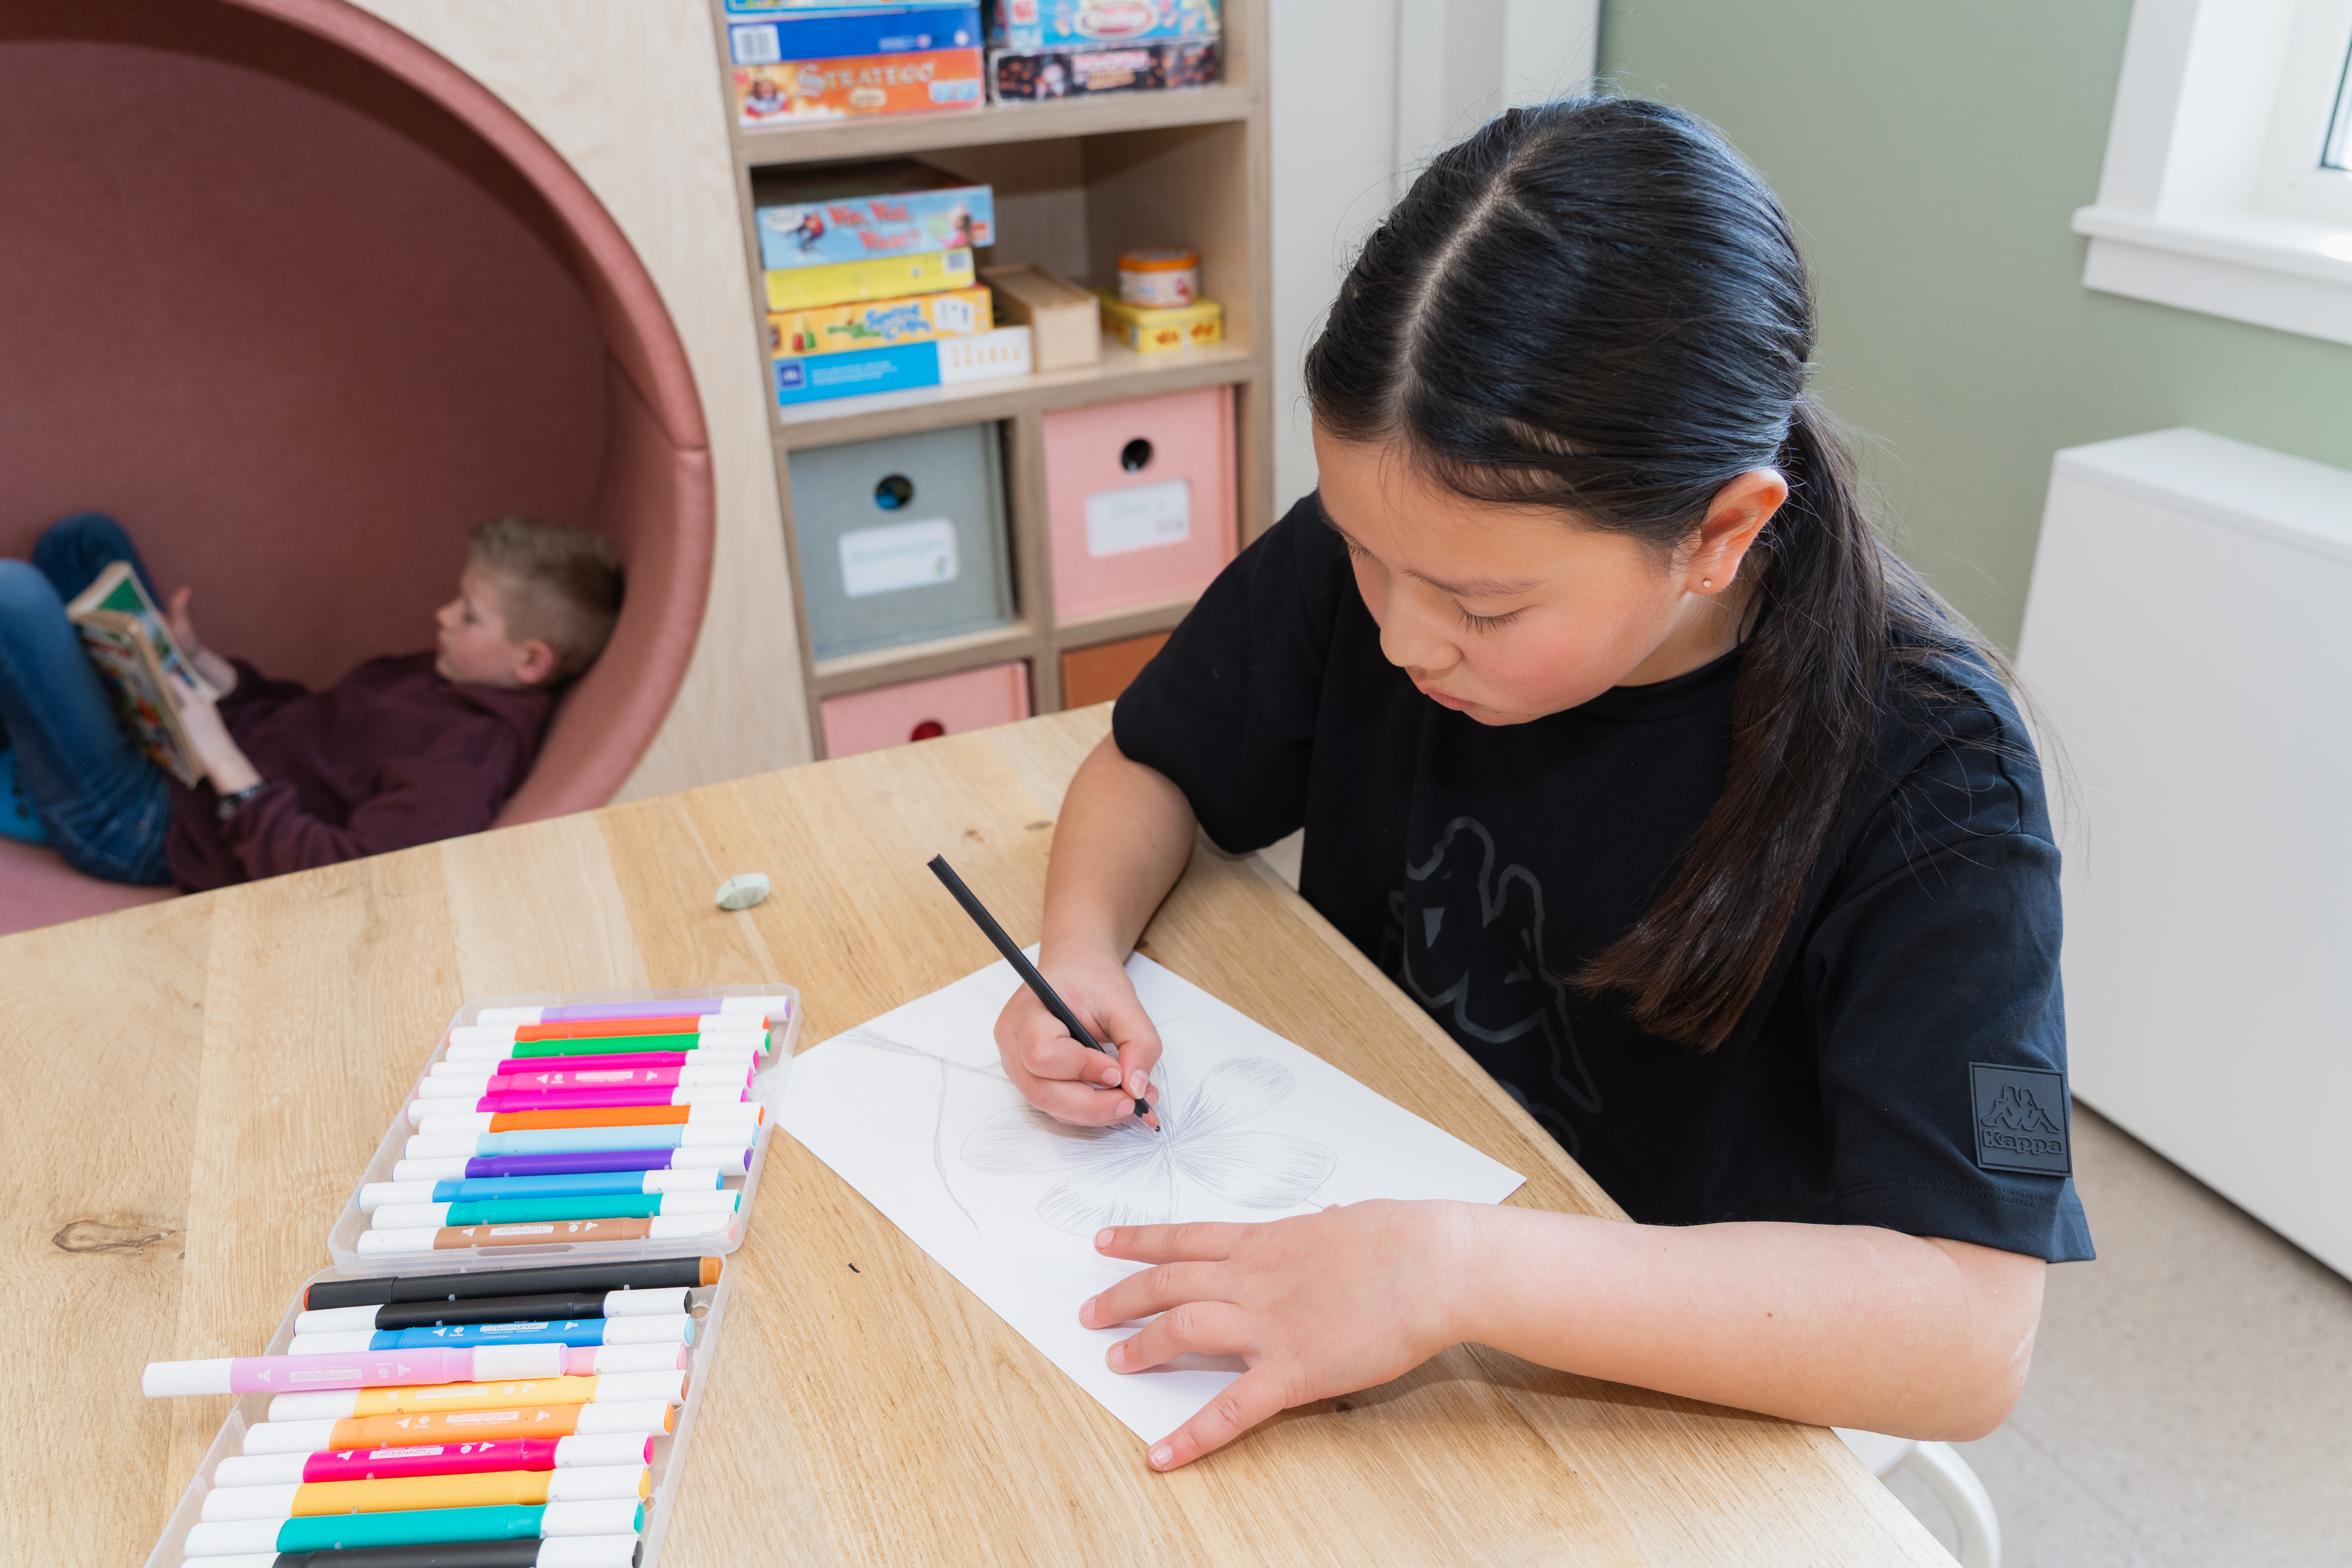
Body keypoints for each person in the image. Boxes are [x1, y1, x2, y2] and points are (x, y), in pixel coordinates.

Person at [992, 96, 2092, 1472]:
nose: (1399, 637)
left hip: (1680, 1358)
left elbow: (1974, 1333)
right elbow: (1155, 762)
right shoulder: (1410, 535)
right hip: (1389, 1204)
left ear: (1719, 533)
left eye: (1481, 606)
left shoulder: (1945, 779)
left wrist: (1457, 1269)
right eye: (1363, 558)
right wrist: (1079, 951)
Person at [0, 511, 621, 891]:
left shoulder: (465, 764)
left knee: (16, 597)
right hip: (192, 749)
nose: (442, 615)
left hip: (152, 827)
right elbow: (313, 722)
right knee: (81, 542)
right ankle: (55, 723)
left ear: (532, 660)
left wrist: (224, 763)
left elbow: (344, 880)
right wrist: (200, 665)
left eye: (468, 614)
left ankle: (41, 757)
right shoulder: (451, 673)